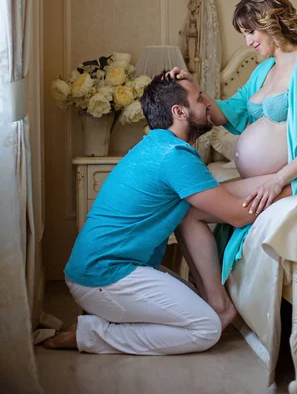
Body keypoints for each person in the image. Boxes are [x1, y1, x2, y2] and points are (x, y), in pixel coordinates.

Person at [43, 71, 280, 355]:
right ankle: (91, 333)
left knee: (201, 310)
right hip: (105, 275)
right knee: (206, 329)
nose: (208, 103)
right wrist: (294, 188)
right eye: (199, 97)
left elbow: (221, 193)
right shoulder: (175, 157)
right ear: (179, 111)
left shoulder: (161, 145)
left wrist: (278, 179)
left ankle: (108, 316)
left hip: (105, 270)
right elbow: (238, 215)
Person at [169, 0, 297, 282]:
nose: (248, 41)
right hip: (269, 176)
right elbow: (229, 112)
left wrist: (277, 181)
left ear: (270, 23)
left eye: (251, 32)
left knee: (191, 210)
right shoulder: (264, 70)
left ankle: (215, 301)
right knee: (188, 207)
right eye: (244, 34)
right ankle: (209, 295)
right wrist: (192, 86)